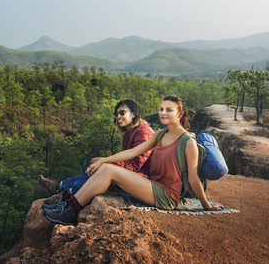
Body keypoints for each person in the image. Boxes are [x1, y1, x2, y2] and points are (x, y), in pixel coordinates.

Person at [42, 95, 224, 225]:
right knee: (106, 168)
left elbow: (192, 178)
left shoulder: (187, 142)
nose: (163, 113)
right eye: (161, 109)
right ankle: (69, 208)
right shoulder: (161, 134)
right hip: (153, 184)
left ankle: (69, 209)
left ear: (180, 114)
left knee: (109, 170)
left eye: (169, 110)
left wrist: (206, 206)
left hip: (168, 194)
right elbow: (132, 153)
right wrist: (102, 160)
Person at [38, 99, 155, 200]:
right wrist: (102, 161)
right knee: (97, 164)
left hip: (145, 180)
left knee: (100, 166)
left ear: (133, 114)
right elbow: (127, 160)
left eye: (122, 113)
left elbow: (134, 166)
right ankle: (61, 188)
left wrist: (103, 162)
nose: (118, 116)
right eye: (116, 113)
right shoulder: (128, 133)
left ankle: (65, 191)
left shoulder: (143, 132)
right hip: (135, 174)